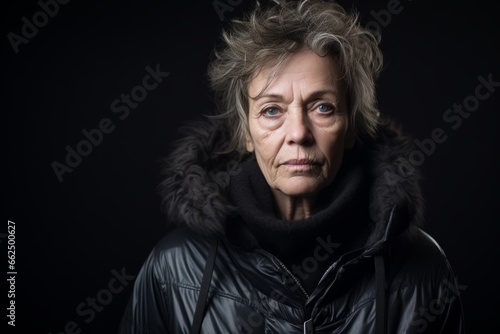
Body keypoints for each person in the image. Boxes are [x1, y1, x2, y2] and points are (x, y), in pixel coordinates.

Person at [118, 0, 465, 333]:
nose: (298, 133)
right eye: (272, 110)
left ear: (351, 127)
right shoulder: (173, 269)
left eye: (322, 108)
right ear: (246, 133)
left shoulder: (424, 269)